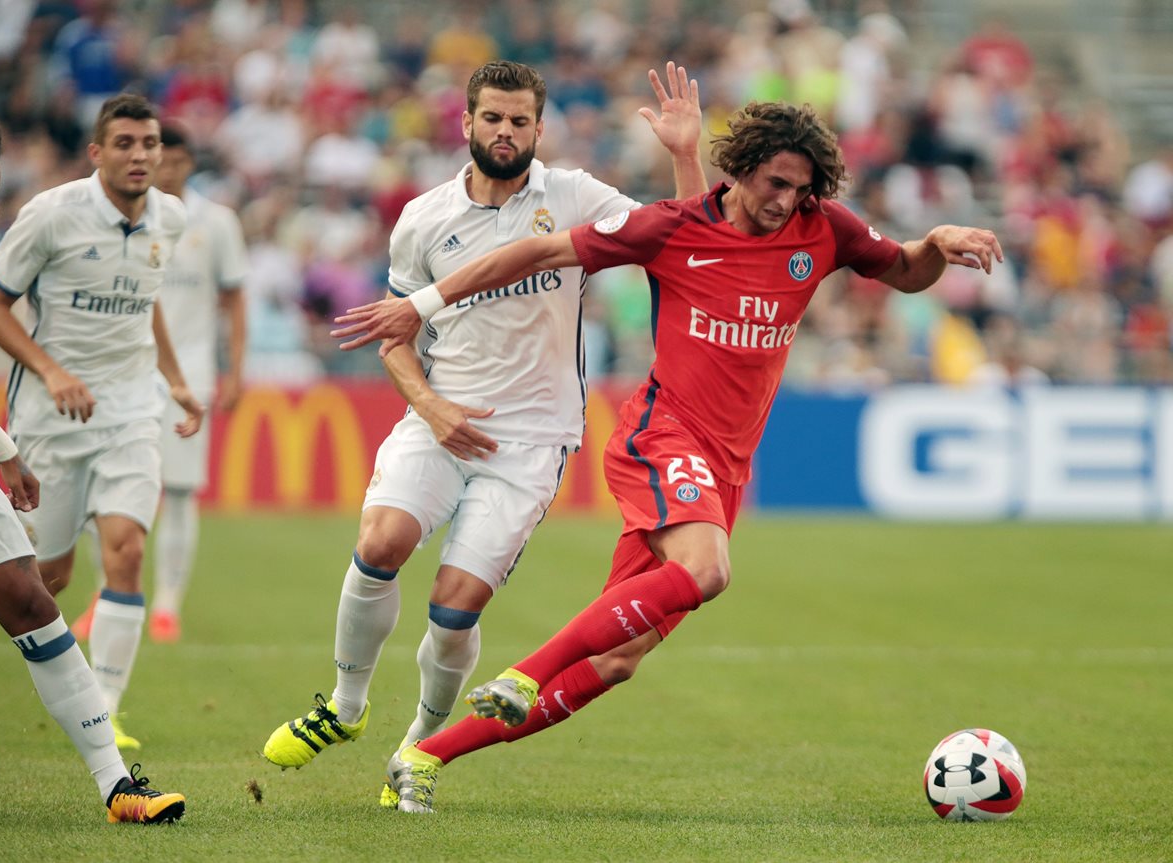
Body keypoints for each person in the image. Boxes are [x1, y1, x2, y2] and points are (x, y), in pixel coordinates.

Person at [335, 100, 1003, 813]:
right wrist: (424, 304)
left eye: (800, 189)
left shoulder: (824, 229)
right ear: (740, 169)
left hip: (724, 470)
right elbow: (536, 251)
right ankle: (525, 675)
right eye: (775, 182)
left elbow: (903, 270)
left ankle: (423, 755)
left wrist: (935, 241)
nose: (787, 201)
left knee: (618, 659)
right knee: (707, 569)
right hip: (661, 437)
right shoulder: (672, 228)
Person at [260, 59, 707, 809]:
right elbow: (397, 334)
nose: (506, 131)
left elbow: (689, 238)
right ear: (466, 123)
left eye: (520, 120)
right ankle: (344, 705)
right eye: (492, 118)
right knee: (380, 542)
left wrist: (685, 154)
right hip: (439, 419)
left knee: (455, 604)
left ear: (540, 128)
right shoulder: (424, 218)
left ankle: (414, 750)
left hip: (532, 441)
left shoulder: (575, 196)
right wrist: (431, 407)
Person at [0, 102, 184, 824]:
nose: (139, 154)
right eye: (124, 142)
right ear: (96, 151)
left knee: (113, 556)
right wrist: (50, 375)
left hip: (129, 411)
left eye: (149, 142)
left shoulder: (171, 221)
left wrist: (176, 377)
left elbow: (148, 301)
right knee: (47, 580)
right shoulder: (50, 216)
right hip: (51, 422)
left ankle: (113, 753)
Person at [69, 122, 248, 644]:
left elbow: (234, 299)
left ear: (189, 162)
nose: (165, 165)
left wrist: (235, 371)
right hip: (120, 369)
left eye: (174, 157)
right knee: (102, 488)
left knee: (178, 491)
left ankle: (167, 605)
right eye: (157, 154)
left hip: (189, 372)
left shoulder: (216, 222)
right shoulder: (121, 215)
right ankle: (106, 594)